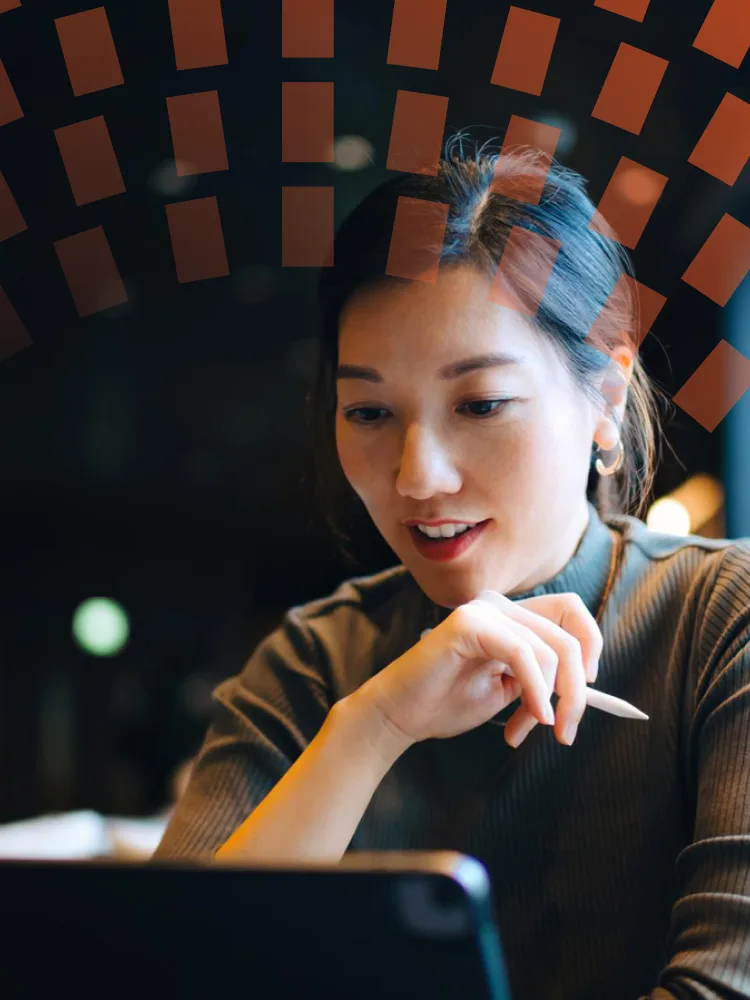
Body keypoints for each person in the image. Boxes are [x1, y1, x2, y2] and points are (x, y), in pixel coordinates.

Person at [153, 135, 750, 999]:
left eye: (481, 403)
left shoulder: (720, 622)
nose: (417, 477)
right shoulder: (315, 666)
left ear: (606, 398)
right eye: (368, 412)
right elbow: (166, 971)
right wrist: (373, 727)